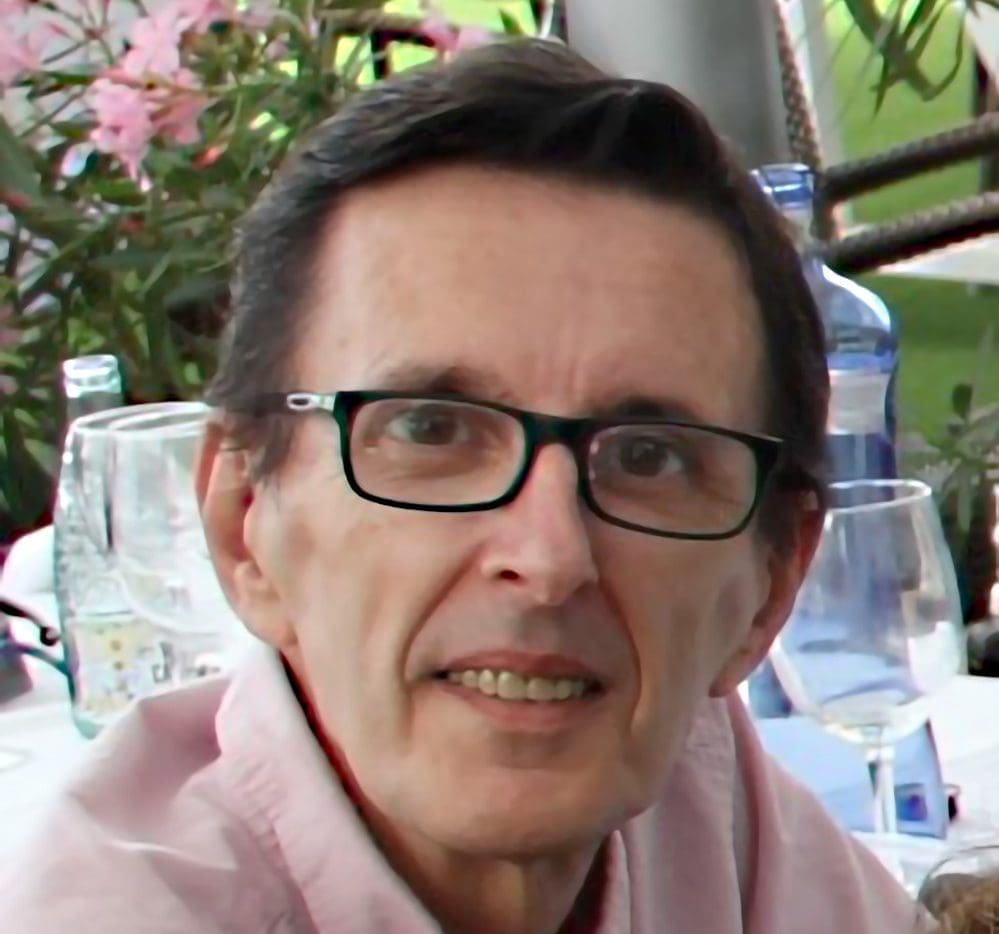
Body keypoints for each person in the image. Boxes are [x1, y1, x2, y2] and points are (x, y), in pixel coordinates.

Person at [1, 38, 937, 933]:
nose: (550, 557)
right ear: (245, 523)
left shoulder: (694, 789)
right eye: (430, 430)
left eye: (649, 457)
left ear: (767, 590)